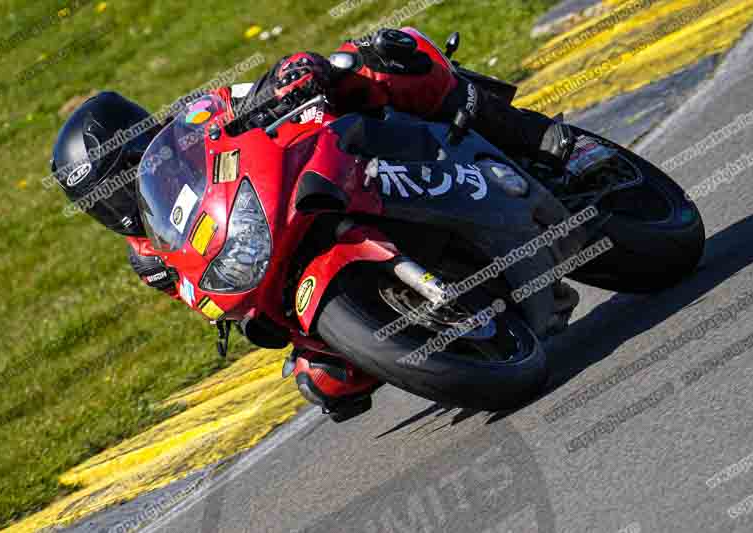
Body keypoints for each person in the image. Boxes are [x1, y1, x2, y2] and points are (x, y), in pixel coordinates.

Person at [51, 27, 576, 420]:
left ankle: (528, 136)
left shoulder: (194, 121)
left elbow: (264, 84)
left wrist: (293, 76)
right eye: (98, 197)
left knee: (376, 61)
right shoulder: (149, 257)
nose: (114, 201)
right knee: (323, 382)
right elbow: (207, 299)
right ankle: (438, 327)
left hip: (328, 163)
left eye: (117, 179)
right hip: (279, 261)